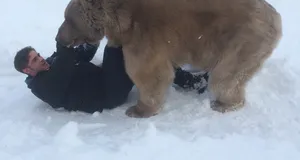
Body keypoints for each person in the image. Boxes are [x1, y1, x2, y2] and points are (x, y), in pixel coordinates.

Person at [13, 42, 209, 114]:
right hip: (108, 94)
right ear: (28, 71)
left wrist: (91, 40)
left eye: (38, 55)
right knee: (117, 45)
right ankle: (192, 82)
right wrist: (63, 43)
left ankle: (184, 72)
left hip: (106, 79)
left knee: (136, 48)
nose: (41, 59)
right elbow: (63, 68)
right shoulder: (43, 88)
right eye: (35, 61)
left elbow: (79, 56)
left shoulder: (51, 64)